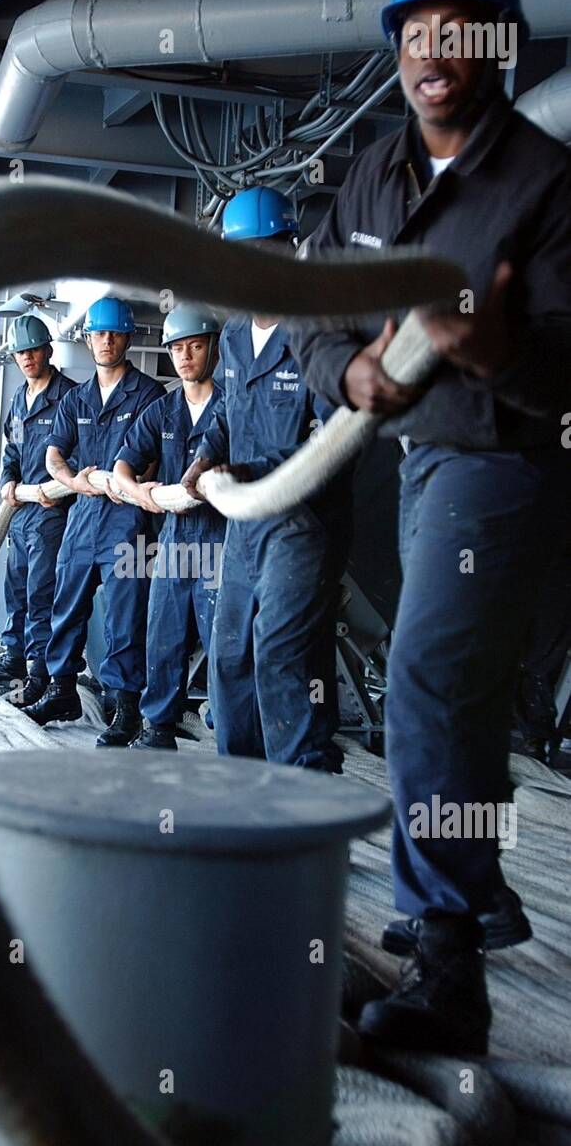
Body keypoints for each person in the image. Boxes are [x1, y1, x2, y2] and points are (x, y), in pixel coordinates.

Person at [290, 0, 571, 1054]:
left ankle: (449, 959)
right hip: (411, 464)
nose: (431, 53)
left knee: (427, 676)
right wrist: (346, 370)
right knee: (443, 685)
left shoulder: (547, 190)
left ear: (496, 48)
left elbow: (561, 361)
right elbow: (314, 311)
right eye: (413, 35)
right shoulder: (370, 174)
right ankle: (453, 906)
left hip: (500, 465)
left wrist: (499, 352)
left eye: (456, 31)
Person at [182, 185, 351, 772]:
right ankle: (243, 787)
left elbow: (332, 444)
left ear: (290, 248)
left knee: (281, 648)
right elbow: (228, 413)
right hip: (246, 523)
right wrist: (205, 455)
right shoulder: (231, 335)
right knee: (230, 652)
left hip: (304, 524)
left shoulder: (320, 334)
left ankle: (304, 787)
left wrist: (248, 471)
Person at [27, 297, 163, 747]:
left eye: (114, 333)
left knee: (126, 616)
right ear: (87, 340)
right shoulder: (75, 399)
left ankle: (126, 708)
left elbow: (154, 462)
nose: (105, 341)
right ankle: (61, 689)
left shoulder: (148, 395)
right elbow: (53, 455)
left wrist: (127, 481)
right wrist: (74, 482)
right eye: (98, 334)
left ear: (127, 338)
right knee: (65, 605)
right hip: (84, 517)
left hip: (130, 519)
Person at [113, 302, 226, 749]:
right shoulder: (163, 411)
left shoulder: (233, 406)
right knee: (164, 633)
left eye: (195, 346)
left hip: (224, 539)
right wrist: (142, 494)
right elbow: (123, 464)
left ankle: (227, 730)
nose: (185, 356)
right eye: (177, 348)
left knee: (226, 641)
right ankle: (158, 729)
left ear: (213, 349)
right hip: (175, 540)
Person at [0, 315, 74, 703]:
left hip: (53, 511)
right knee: (17, 590)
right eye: (20, 353)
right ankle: (13, 660)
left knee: (43, 594)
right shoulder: (17, 399)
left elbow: (83, 459)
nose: (26, 358)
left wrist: (58, 489)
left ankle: (39, 676)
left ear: (48, 351)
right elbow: (12, 449)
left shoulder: (69, 398)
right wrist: (8, 478)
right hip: (21, 511)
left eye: (33, 350)